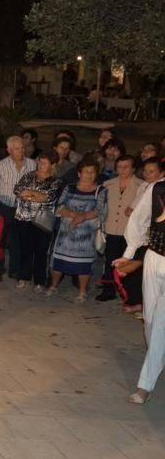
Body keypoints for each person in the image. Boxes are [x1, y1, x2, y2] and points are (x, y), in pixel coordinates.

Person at [116, 172, 165, 403]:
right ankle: (157, 358)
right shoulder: (157, 188)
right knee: (150, 320)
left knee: (160, 326)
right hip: (154, 258)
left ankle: (145, 385)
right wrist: (129, 254)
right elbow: (138, 219)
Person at [47, 158, 104, 302]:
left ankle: (82, 291)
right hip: (65, 234)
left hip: (86, 237)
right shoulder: (70, 187)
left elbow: (100, 210)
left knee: (83, 265)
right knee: (58, 261)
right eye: (86, 172)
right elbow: (59, 206)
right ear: (79, 173)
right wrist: (74, 215)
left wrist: (82, 217)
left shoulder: (101, 190)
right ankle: (53, 286)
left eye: (92, 172)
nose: (89, 175)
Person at [12, 151, 62, 293]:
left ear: (52, 165)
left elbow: (49, 197)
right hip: (24, 218)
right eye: (39, 161)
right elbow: (18, 190)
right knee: (25, 249)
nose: (40, 164)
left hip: (42, 221)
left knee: (41, 251)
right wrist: (36, 195)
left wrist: (29, 195)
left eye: (44, 162)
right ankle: (24, 277)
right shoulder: (29, 175)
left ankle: (40, 280)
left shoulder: (55, 181)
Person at [96, 155, 143, 301]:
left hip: (130, 232)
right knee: (110, 260)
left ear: (133, 168)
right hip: (111, 229)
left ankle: (128, 292)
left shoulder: (141, 185)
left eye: (126, 166)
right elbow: (101, 207)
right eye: (119, 166)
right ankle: (108, 290)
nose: (122, 169)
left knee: (128, 263)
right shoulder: (108, 184)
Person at [0, 136, 36, 280]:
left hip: (23, 207)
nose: (21, 151)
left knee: (19, 240)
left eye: (22, 147)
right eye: (16, 148)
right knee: (0, 239)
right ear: (9, 150)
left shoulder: (32, 164)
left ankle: (15, 269)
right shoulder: (0, 166)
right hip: (4, 206)